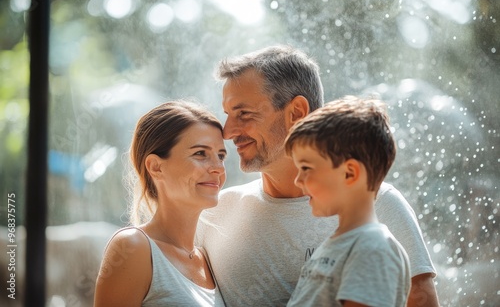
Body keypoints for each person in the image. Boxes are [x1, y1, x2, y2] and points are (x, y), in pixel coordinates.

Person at [197, 45, 439, 306]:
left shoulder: (380, 203)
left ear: (297, 113)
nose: (227, 131)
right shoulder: (213, 212)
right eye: (228, 115)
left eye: (243, 113)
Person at [94, 100, 227, 307]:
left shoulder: (207, 258)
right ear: (156, 167)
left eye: (221, 155)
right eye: (200, 153)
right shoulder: (133, 247)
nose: (218, 167)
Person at [284, 95, 411, 306]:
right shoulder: (343, 243)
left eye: (306, 168)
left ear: (350, 173)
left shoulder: (373, 248)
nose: (297, 180)